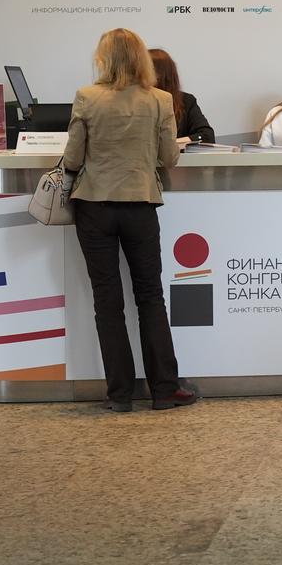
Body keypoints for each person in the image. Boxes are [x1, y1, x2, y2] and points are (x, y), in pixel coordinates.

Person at [62, 28, 199, 412]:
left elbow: (72, 158)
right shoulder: (159, 99)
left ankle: (119, 394)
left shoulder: (87, 97)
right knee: (150, 297)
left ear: (103, 58)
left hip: (94, 206)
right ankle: (165, 390)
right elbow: (169, 158)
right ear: (140, 59)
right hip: (140, 204)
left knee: (107, 301)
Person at [149, 48, 215, 145]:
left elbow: (207, 135)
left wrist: (172, 144)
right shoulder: (139, 102)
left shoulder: (186, 101)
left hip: (178, 154)